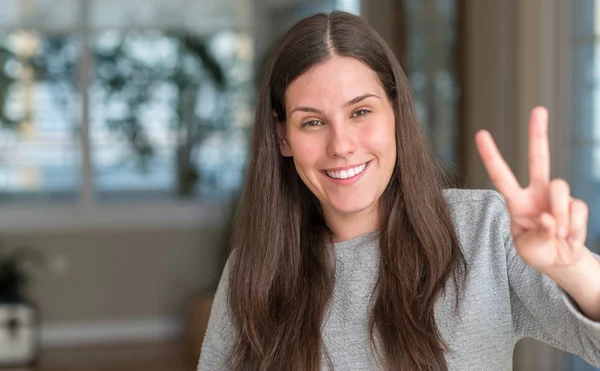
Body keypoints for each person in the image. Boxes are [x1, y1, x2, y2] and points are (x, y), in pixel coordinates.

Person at [197, 11, 600, 371]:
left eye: (360, 112)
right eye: (312, 123)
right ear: (283, 137)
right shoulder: (253, 273)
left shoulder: (484, 232)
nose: (341, 145)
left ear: (396, 113)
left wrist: (573, 269)